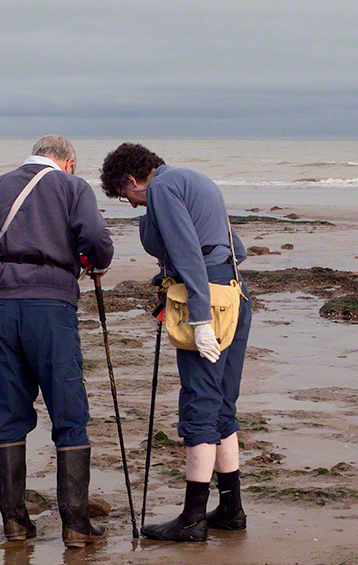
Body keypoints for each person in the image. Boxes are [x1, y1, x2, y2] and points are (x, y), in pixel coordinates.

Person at [0, 135, 114, 548]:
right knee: (68, 410)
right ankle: (76, 525)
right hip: (50, 304)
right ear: (69, 162)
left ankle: (15, 523)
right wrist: (96, 261)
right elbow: (95, 237)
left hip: (3, 305)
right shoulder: (73, 187)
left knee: (7, 412)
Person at [99, 143, 251, 542]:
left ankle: (193, 518)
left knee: (200, 401)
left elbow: (186, 252)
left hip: (209, 303)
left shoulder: (163, 190)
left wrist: (199, 317)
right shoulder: (194, 179)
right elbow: (238, 247)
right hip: (235, 295)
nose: (129, 204)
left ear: (132, 179)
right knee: (222, 401)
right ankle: (231, 509)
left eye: (124, 195)